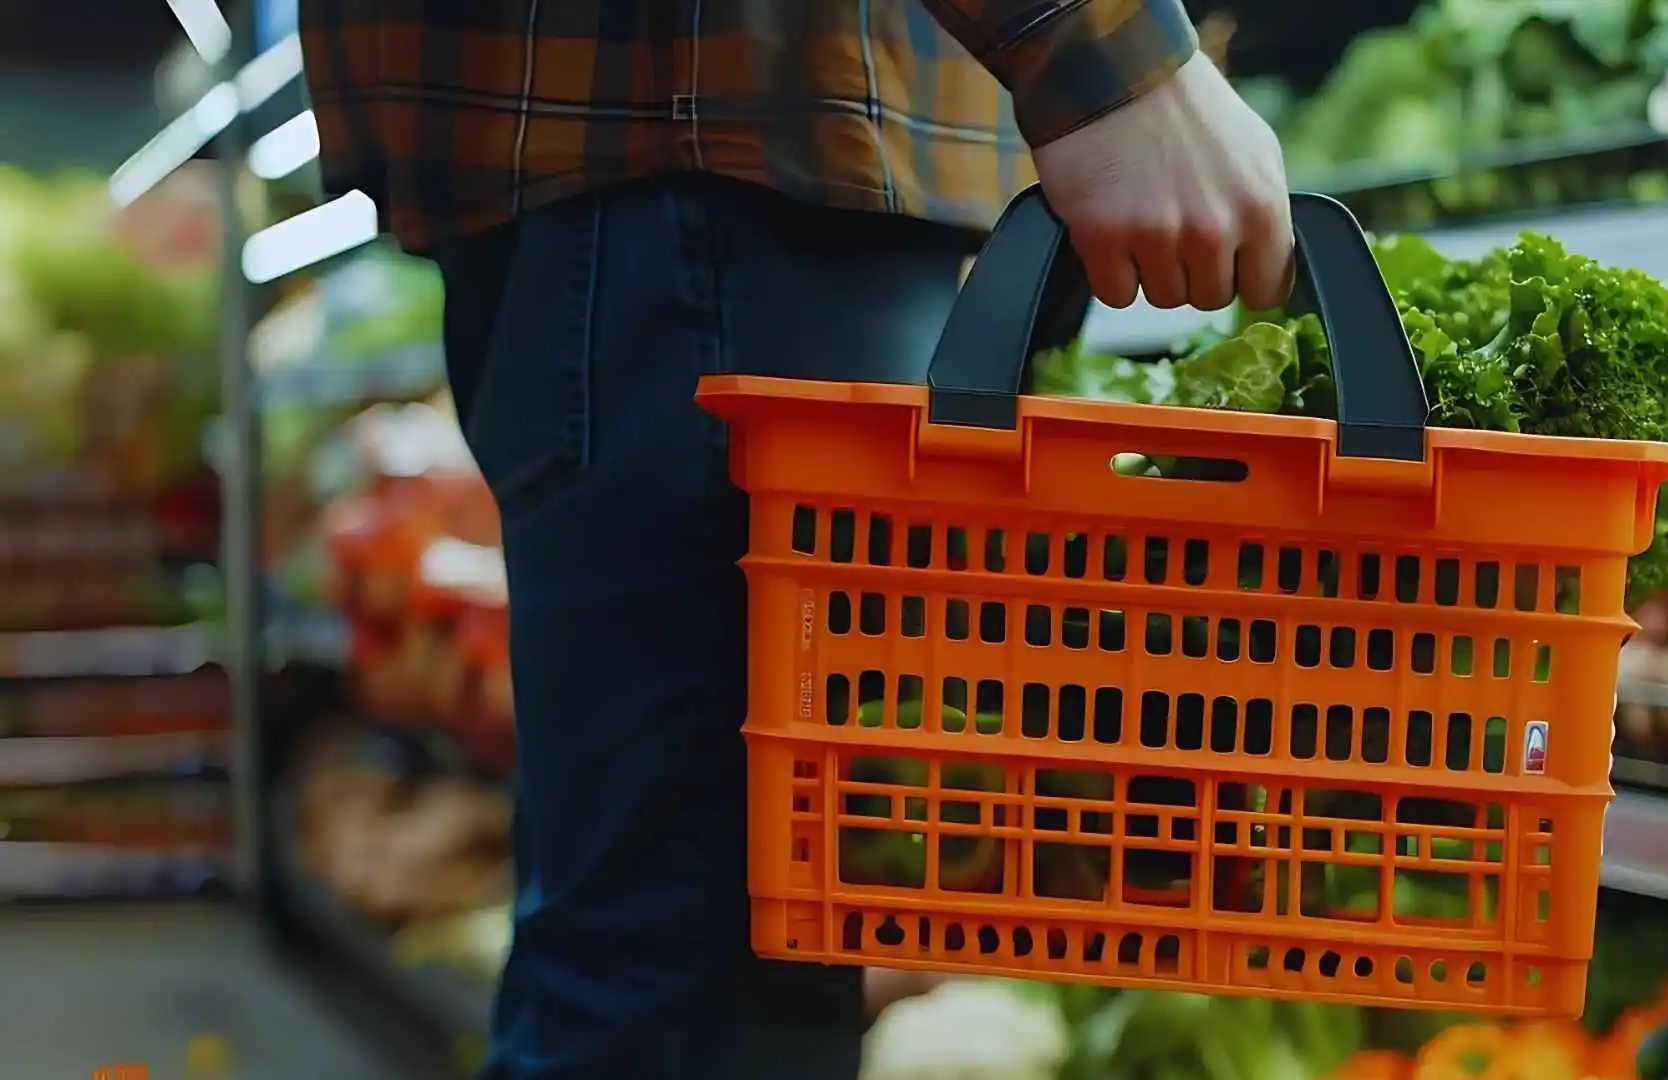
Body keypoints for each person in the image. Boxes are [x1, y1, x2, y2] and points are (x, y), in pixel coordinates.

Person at [297, 2, 1292, 1077]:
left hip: (707, 163)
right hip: (728, 133)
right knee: (703, 983)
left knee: (695, 948)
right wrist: (1111, 59)